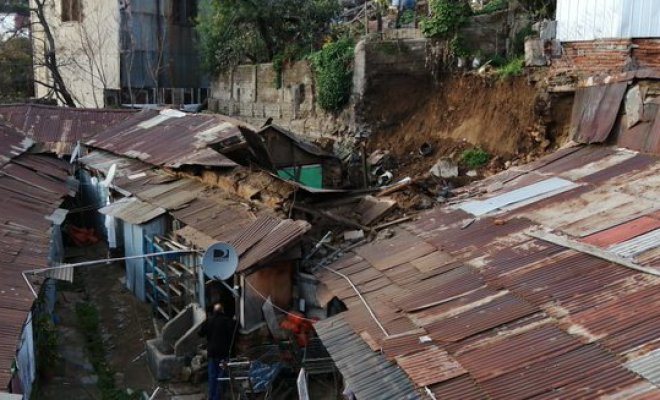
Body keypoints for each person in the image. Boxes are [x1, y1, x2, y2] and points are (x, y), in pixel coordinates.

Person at [199, 303, 236, 400]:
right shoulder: (227, 321)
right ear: (222, 311)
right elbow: (234, 332)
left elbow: (200, 333)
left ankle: (212, 397)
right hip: (223, 353)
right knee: (221, 375)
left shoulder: (209, 320)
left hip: (212, 353)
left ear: (214, 311)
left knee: (212, 376)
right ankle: (217, 397)